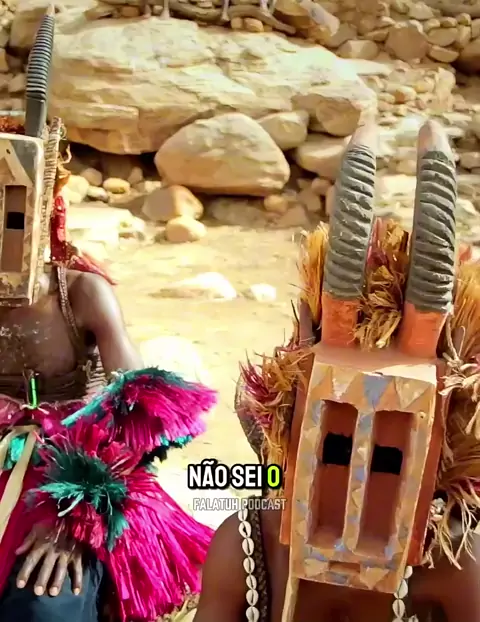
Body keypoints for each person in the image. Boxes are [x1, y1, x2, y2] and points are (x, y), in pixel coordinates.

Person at [194, 120, 480, 622]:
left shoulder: (456, 562)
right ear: (292, 432)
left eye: (391, 458)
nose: (355, 496)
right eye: (334, 448)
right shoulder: (248, 548)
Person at [0, 8, 216, 622]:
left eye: (8, 212)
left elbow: (136, 414)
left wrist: (76, 516)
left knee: (44, 609)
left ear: (40, 210)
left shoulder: (82, 294)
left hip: (72, 473)